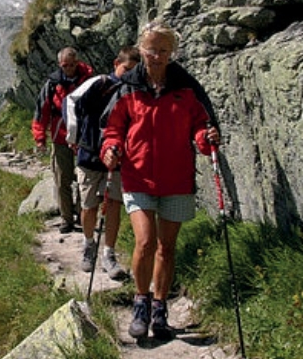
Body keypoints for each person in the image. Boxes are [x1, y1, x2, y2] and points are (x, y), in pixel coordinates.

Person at [101, 19, 220, 341]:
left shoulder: (186, 88)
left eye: (163, 50)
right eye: (151, 49)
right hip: (137, 177)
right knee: (145, 242)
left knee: (167, 247)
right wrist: (110, 148)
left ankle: (159, 308)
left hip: (177, 179)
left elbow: (200, 124)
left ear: (172, 53)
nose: (156, 56)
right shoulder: (127, 88)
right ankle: (140, 303)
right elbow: (113, 129)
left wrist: (206, 139)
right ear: (141, 49)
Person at [64, 46, 140, 280]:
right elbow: (71, 101)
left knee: (114, 204)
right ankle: (89, 245)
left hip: (117, 156)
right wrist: (74, 137)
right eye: (126, 68)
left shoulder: (134, 89)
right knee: (89, 205)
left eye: (133, 71)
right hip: (89, 154)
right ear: (116, 62)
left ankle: (109, 253)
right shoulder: (99, 83)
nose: (128, 74)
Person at [32, 47, 93, 233]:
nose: (69, 69)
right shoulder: (52, 84)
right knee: (62, 180)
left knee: (85, 180)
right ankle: (67, 219)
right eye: (65, 66)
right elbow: (41, 112)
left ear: (77, 62)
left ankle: (83, 216)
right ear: (60, 64)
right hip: (60, 138)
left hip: (84, 138)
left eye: (72, 65)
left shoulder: (89, 81)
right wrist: (40, 138)